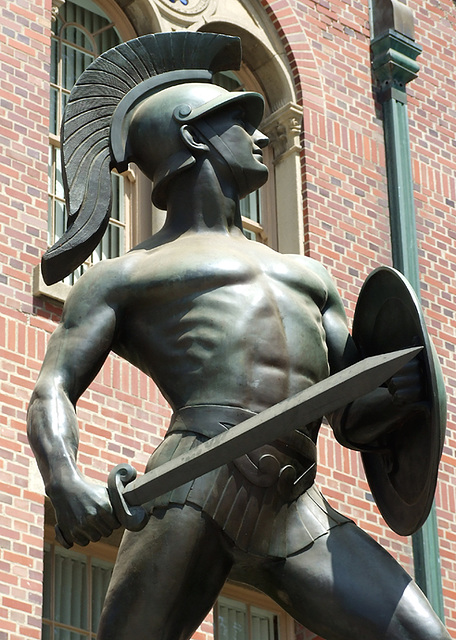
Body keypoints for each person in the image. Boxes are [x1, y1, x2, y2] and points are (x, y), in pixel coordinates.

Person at [27, 34, 450, 640]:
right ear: (195, 135)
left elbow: (351, 414)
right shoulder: (127, 275)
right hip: (196, 484)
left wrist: (400, 392)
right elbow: (52, 389)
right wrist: (64, 478)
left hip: (296, 504)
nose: (258, 137)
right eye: (237, 122)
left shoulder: (309, 276)